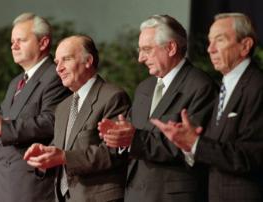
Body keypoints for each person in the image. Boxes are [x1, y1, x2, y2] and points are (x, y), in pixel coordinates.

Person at [98, 15, 217, 202]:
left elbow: (190, 146)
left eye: (146, 50)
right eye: (140, 50)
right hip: (135, 194)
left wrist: (133, 139)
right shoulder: (144, 88)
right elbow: (132, 135)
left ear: (171, 47)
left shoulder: (200, 86)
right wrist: (117, 137)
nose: (140, 58)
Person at [151, 13, 263, 202]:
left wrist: (195, 143)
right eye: (210, 41)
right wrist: (188, 145)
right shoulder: (225, 87)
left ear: (245, 46)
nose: (210, 49)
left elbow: (252, 156)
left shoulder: (257, 86)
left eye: (219, 40)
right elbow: (218, 151)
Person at [0, 13, 71, 202]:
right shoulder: (16, 82)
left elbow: (52, 121)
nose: (13, 46)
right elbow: (3, 121)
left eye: (21, 40)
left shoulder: (55, 76)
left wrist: (3, 127)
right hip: (4, 182)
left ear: (43, 43)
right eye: (12, 42)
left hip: (30, 185)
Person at [23, 35, 131, 202]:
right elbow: (61, 148)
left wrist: (64, 157)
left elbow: (113, 152)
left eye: (66, 59)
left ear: (88, 61)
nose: (59, 68)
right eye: (57, 62)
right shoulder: (63, 107)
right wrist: (44, 155)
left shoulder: (113, 97)